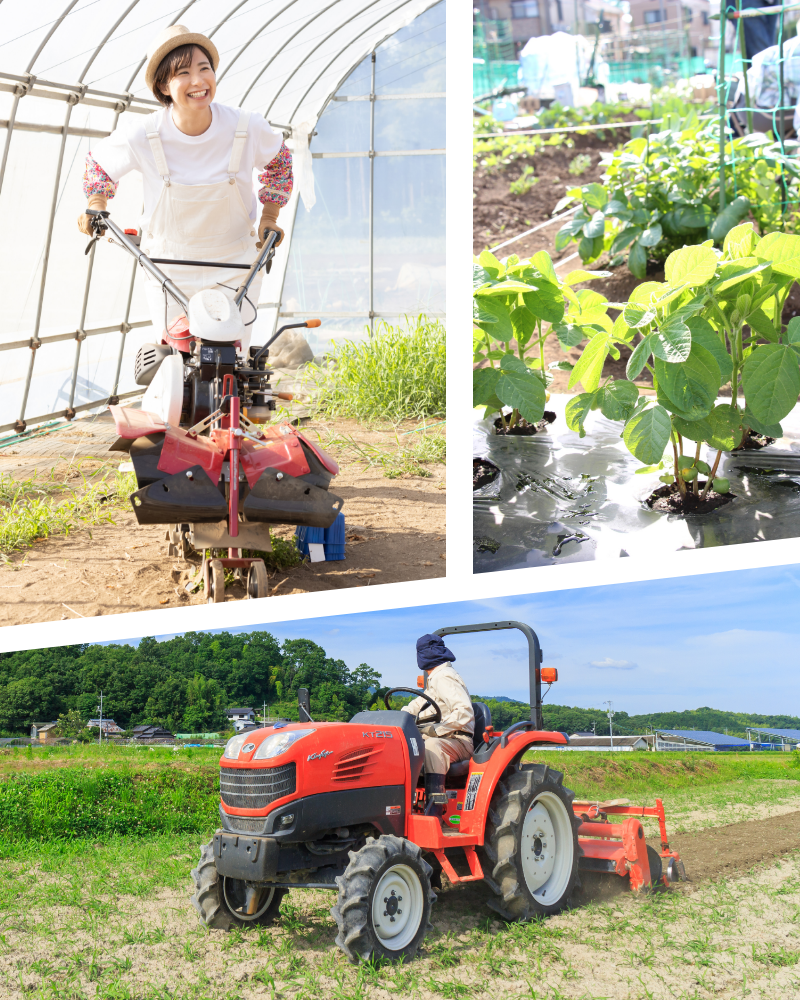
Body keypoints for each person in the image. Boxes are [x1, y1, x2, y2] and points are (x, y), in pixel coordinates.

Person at [77, 24, 292, 342]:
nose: (198, 81)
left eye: (204, 69)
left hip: (236, 265)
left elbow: (280, 164)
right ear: (163, 85)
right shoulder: (146, 133)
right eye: (183, 73)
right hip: (167, 267)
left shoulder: (245, 128)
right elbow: (99, 166)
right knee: (176, 361)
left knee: (233, 359)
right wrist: (96, 207)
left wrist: (269, 218)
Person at [402, 634, 475, 823]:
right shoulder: (434, 679)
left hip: (458, 740)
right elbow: (418, 704)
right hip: (445, 738)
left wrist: (437, 729)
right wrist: (400, 716)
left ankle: (435, 810)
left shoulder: (445, 676)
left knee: (432, 746)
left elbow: (464, 711)